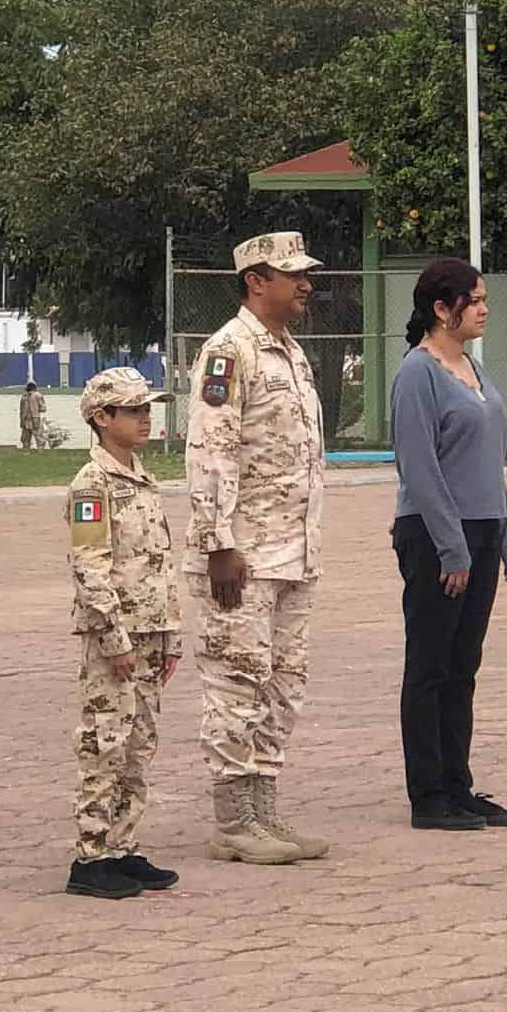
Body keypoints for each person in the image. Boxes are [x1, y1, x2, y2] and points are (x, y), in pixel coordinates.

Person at [184, 231, 329, 866]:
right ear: (254, 281)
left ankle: (265, 809)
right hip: (242, 556)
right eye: (289, 274)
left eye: (306, 275)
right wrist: (218, 543)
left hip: (293, 551)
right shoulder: (229, 352)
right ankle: (233, 820)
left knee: (283, 685)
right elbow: (212, 452)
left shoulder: (291, 354)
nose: (303, 285)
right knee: (236, 683)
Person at [389, 257, 507, 833]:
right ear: (442, 309)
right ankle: (428, 793)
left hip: (482, 529)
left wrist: (506, 537)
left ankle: (458, 783)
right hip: (436, 533)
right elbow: (419, 467)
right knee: (430, 664)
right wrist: (452, 548)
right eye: (474, 300)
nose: (484, 309)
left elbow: (488, 462)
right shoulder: (418, 373)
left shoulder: (472, 367)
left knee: (462, 665)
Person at [63, 367, 182, 900]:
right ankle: (91, 856)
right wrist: (115, 639)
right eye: (132, 410)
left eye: (145, 408)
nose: (144, 418)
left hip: (151, 631)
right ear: (101, 417)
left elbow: (159, 559)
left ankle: (123, 846)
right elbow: (91, 566)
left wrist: (170, 633)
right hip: (117, 638)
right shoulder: (92, 485)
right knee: (106, 743)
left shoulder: (140, 475)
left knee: (139, 746)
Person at [20, 381, 47, 450]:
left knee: (25, 439)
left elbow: (21, 411)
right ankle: (40, 452)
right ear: (35, 387)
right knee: (39, 438)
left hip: (25, 420)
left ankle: (26, 452)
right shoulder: (38, 395)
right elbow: (43, 409)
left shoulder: (23, 397)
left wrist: (21, 421)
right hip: (35, 419)